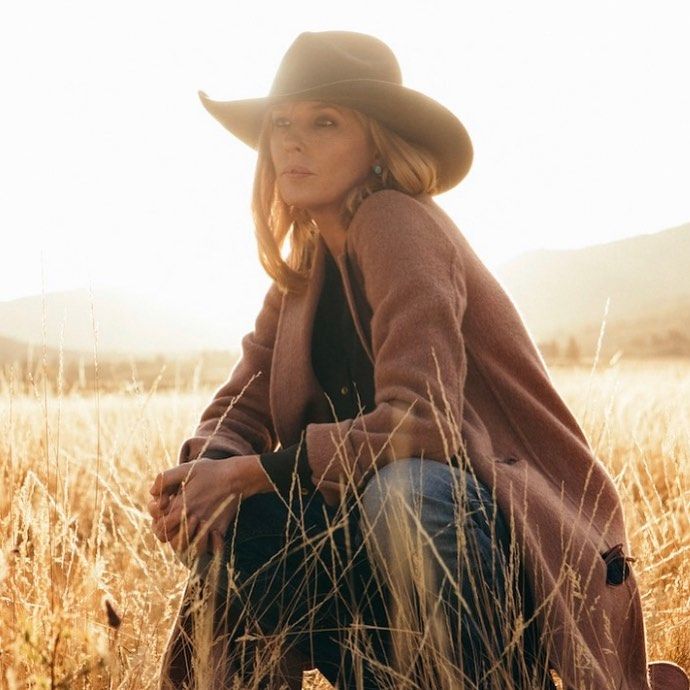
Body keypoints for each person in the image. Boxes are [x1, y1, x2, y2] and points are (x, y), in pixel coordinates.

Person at [148, 31, 688, 690]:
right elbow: (241, 405)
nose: (292, 141)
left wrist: (246, 476)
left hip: (491, 542)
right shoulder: (304, 274)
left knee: (400, 493)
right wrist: (202, 474)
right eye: (281, 124)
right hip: (386, 551)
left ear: (377, 141)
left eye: (324, 122)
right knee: (236, 523)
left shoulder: (395, 221)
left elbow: (422, 426)